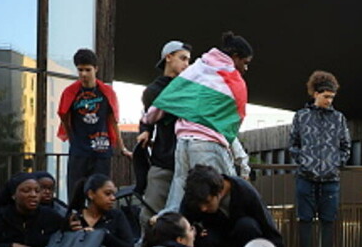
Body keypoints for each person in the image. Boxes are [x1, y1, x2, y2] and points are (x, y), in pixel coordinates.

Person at [141, 32, 253, 213]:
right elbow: (233, 121)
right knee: (225, 197)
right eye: (245, 62)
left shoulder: (198, 68)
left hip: (183, 143)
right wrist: (244, 164)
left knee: (178, 199)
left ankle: (169, 226)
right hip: (209, 143)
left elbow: (165, 99)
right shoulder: (233, 79)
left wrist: (147, 121)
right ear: (235, 57)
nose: (246, 68)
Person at [180, 165, 284, 247]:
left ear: (219, 192)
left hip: (244, 237)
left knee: (247, 226)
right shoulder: (194, 197)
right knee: (204, 237)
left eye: (207, 202)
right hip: (213, 238)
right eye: (199, 204)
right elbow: (180, 230)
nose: (203, 208)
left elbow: (272, 233)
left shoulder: (245, 192)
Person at [289, 70, 351, 247]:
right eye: (326, 96)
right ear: (315, 93)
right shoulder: (301, 116)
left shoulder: (338, 118)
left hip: (330, 177)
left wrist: (336, 163)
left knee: (329, 218)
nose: (329, 101)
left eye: (332, 97)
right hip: (305, 176)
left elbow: (346, 145)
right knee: (304, 218)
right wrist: (304, 161)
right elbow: (293, 144)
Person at [56, 48, 131, 201]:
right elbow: (65, 119)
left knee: (101, 194)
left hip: (101, 149)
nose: (84, 74)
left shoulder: (107, 92)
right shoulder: (70, 92)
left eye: (87, 69)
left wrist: (122, 148)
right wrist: (74, 142)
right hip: (79, 151)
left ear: (96, 69)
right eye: (80, 70)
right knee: (75, 193)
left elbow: (113, 121)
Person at [135, 40, 192, 223]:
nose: (187, 64)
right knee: (149, 215)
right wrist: (145, 130)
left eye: (188, 60)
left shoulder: (191, 87)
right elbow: (148, 117)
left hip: (189, 162)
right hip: (164, 161)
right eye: (183, 58)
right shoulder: (154, 91)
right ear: (168, 57)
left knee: (186, 218)